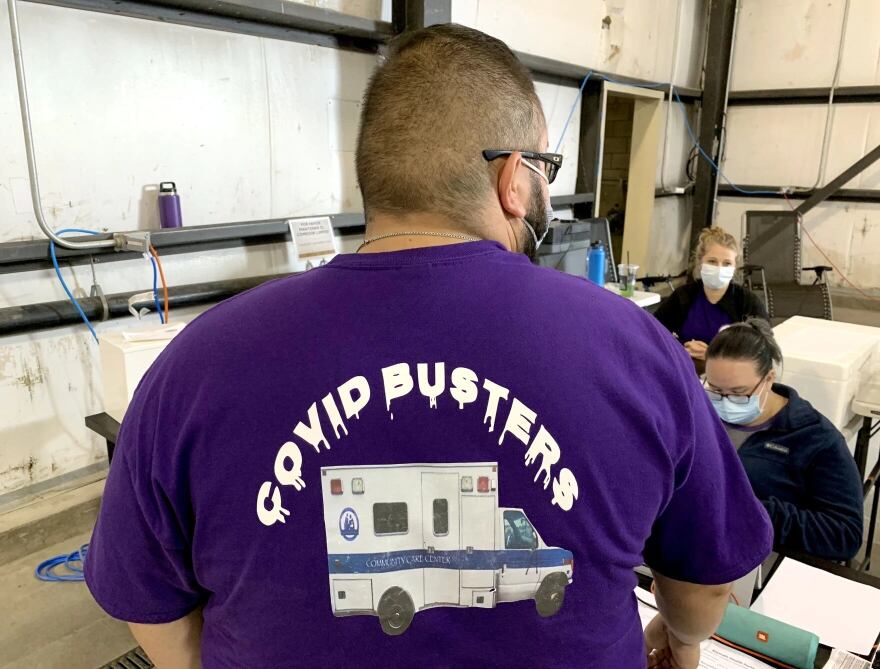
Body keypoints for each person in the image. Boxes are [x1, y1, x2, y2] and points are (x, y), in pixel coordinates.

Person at [85, 24, 772, 669]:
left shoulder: (197, 363)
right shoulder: (637, 349)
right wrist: (681, 642)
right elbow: (703, 579)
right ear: (513, 178)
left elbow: (147, 603)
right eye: (544, 169)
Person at [704, 319, 863, 561]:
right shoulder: (700, 415)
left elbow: (844, 535)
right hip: (699, 545)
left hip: (764, 560)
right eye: (715, 390)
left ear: (768, 379)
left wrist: (748, 508)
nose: (724, 402)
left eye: (739, 394)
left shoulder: (816, 439)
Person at [654, 227, 768, 369]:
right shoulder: (683, 296)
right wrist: (682, 347)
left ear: (735, 267)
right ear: (700, 262)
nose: (719, 268)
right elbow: (655, 331)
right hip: (686, 368)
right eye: (712, 261)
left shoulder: (746, 301)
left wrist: (713, 354)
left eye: (727, 263)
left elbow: (761, 346)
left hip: (732, 374)